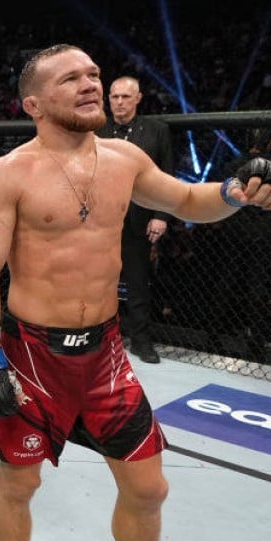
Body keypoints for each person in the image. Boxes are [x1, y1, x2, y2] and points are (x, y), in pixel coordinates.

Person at [0, 44, 271, 541]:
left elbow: (187, 200)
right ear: (34, 105)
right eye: (71, 78)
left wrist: (237, 191)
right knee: (19, 485)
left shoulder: (125, 160)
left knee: (148, 489)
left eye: (93, 73)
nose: (90, 83)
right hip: (32, 356)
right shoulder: (7, 173)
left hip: (104, 355)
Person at [97, 75, 174, 363]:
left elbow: (166, 176)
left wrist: (161, 215)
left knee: (138, 282)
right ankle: (101, 339)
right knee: (98, 282)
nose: (119, 102)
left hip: (140, 219)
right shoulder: (97, 129)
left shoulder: (156, 131)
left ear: (138, 98)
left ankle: (141, 341)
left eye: (125, 97)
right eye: (114, 97)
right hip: (100, 220)